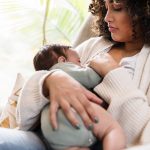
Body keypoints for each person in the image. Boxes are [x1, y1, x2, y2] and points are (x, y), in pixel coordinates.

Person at [2, 0, 149, 150]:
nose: (107, 17)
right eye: (106, 8)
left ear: (144, 11)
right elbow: (24, 119)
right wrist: (50, 80)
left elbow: (144, 138)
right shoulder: (94, 46)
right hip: (49, 137)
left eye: (117, 8)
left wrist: (112, 72)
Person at [32, 44, 125, 150]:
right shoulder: (62, 69)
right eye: (79, 61)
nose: (82, 65)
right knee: (112, 129)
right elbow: (91, 77)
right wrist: (97, 66)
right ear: (62, 60)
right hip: (71, 114)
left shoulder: (46, 81)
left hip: (51, 127)